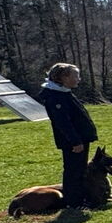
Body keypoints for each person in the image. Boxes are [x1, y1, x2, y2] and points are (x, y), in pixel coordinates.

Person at [40, 62, 98, 210]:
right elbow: (63, 123)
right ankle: (74, 203)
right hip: (73, 142)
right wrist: (75, 141)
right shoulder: (55, 97)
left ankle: (81, 198)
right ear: (64, 78)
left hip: (80, 139)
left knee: (80, 169)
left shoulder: (64, 93)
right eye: (75, 76)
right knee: (73, 171)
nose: (79, 79)